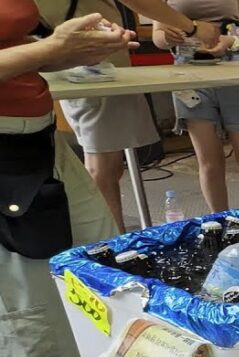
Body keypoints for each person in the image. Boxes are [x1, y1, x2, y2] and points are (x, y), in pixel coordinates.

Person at [0, 5, 136, 357]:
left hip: (38, 138)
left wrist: (69, 49)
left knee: (104, 269)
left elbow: (18, 52)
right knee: (27, 309)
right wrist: (53, 48)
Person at [36, 0, 219, 232]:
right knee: (102, 164)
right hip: (90, 64)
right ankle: (112, 246)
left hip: (95, 60)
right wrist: (192, 27)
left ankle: (112, 243)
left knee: (108, 164)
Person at [153, 0, 239, 213]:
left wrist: (229, 41)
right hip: (188, 74)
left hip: (233, 70)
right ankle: (220, 225)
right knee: (208, 162)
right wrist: (168, 37)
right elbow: (158, 37)